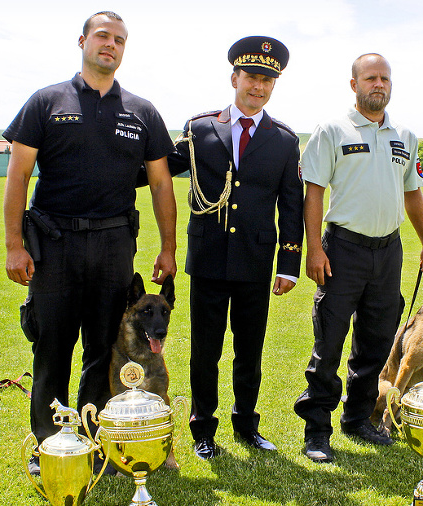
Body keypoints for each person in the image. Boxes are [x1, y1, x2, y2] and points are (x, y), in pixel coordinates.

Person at [2, 11, 177, 475]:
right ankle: (49, 445)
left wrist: (167, 248)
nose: (111, 45)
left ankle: (98, 440)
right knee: (52, 347)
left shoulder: (141, 112)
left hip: (114, 246)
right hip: (54, 244)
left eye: (120, 40)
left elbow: (161, 184)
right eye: (103, 36)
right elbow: (18, 173)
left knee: (103, 351)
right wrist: (14, 245)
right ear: (82, 40)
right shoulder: (46, 101)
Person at [293, 53, 423, 463]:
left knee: (376, 344)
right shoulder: (331, 130)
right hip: (343, 250)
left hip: (388, 251)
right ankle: (317, 430)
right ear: (353, 84)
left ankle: (358, 419)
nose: (379, 84)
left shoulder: (404, 136)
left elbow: (413, 193)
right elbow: (315, 192)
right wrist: (315, 249)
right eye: (371, 78)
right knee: (330, 343)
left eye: (385, 79)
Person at [167, 36, 303, 460]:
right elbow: (161, 168)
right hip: (208, 257)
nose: (258, 87)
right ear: (234, 78)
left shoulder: (283, 139)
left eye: (267, 80)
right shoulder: (200, 127)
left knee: (250, 349)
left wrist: (289, 264)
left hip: (255, 260)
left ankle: (247, 424)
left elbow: (291, 204)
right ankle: (203, 429)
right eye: (251, 77)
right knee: (204, 350)